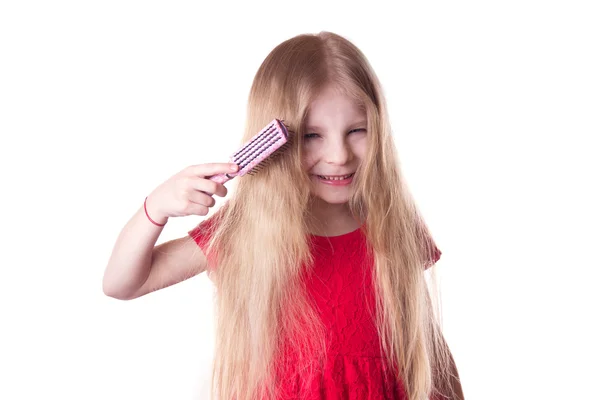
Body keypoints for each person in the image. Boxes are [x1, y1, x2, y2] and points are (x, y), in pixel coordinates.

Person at [103, 31, 464, 400]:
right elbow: (122, 283)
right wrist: (155, 209)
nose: (339, 155)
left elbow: (429, 350)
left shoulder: (394, 225)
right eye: (311, 136)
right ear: (276, 140)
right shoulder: (245, 233)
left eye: (357, 130)